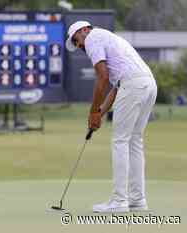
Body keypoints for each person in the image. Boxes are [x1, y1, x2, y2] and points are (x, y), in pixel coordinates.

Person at [66, 21, 157, 213]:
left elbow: (103, 77)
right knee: (134, 141)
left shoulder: (92, 38)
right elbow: (116, 88)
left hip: (133, 85)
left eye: (76, 40)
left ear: (84, 31)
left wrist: (92, 111)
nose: (78, 46)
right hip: (147, 84)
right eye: (75, 44)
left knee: (120, 141)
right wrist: (99, 113)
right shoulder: (109, 37)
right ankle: (137, 200)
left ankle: (119, 201)